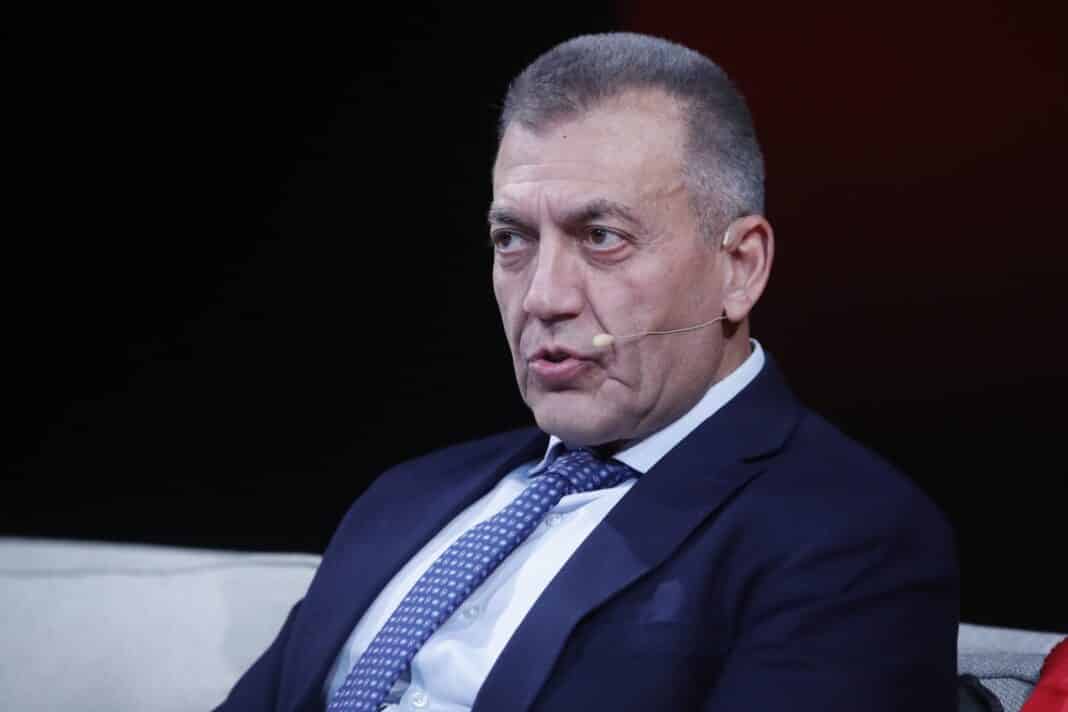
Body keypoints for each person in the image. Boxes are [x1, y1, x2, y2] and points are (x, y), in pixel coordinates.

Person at [216, 33, 959, 712]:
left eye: (601, 237)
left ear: (740, 267)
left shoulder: (846, 538)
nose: (543, 297)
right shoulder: (408, 496)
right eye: (512, 239)